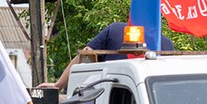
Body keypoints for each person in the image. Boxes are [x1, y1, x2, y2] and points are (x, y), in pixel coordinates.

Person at [40, 22, 177, 91]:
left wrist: (58, 85)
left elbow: (84, 56)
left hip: (109, 98)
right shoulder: (166, 44)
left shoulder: (116, 30)